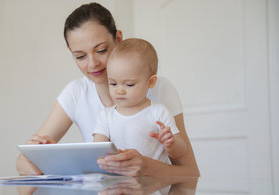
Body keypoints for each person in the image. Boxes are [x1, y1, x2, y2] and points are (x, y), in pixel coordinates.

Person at [16, 2, 199, 177]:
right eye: (80, 56)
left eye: (101, 50)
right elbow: (22, 162)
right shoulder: (76, 92)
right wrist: (46, 157)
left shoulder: (160, 90)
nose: (93, 64)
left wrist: (147, 167)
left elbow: (190, 172)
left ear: (118, 39)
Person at [93, 38, 187, 166]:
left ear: (151, 82)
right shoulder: (105, 116)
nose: (119, 90)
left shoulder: (159, 112)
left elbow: (180, 152)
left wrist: (171, 143)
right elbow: (97, 151)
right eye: (113, 83)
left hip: (153, 183)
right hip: (118, 182)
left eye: (129, 84)